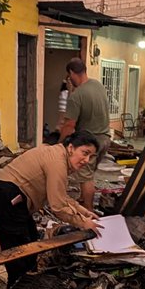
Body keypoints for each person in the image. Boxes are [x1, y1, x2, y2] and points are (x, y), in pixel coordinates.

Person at [0, 133, 99, 286]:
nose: (86, 160)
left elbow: (61, 195)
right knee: (17, 247)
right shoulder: (57, 162)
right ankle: (18, 287)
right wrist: (83, 223)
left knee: (30, 239)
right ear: (71, 148)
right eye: (85, 153)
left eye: (91, 156)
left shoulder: (59, 156)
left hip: (14, 194)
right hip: (7, 195)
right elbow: (58, 206)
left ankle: (28, 280)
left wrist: (83, 211)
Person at [58, 58, 111, 210]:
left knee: (86, 177)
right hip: (105, 138)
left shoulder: (77, 96)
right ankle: (83, 199)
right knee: (88, 173)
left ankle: (88, 211)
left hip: (90, 143)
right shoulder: (97, 85)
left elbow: (69, 125)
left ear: (72, 73)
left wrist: (60, 144)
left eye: (69, 76)